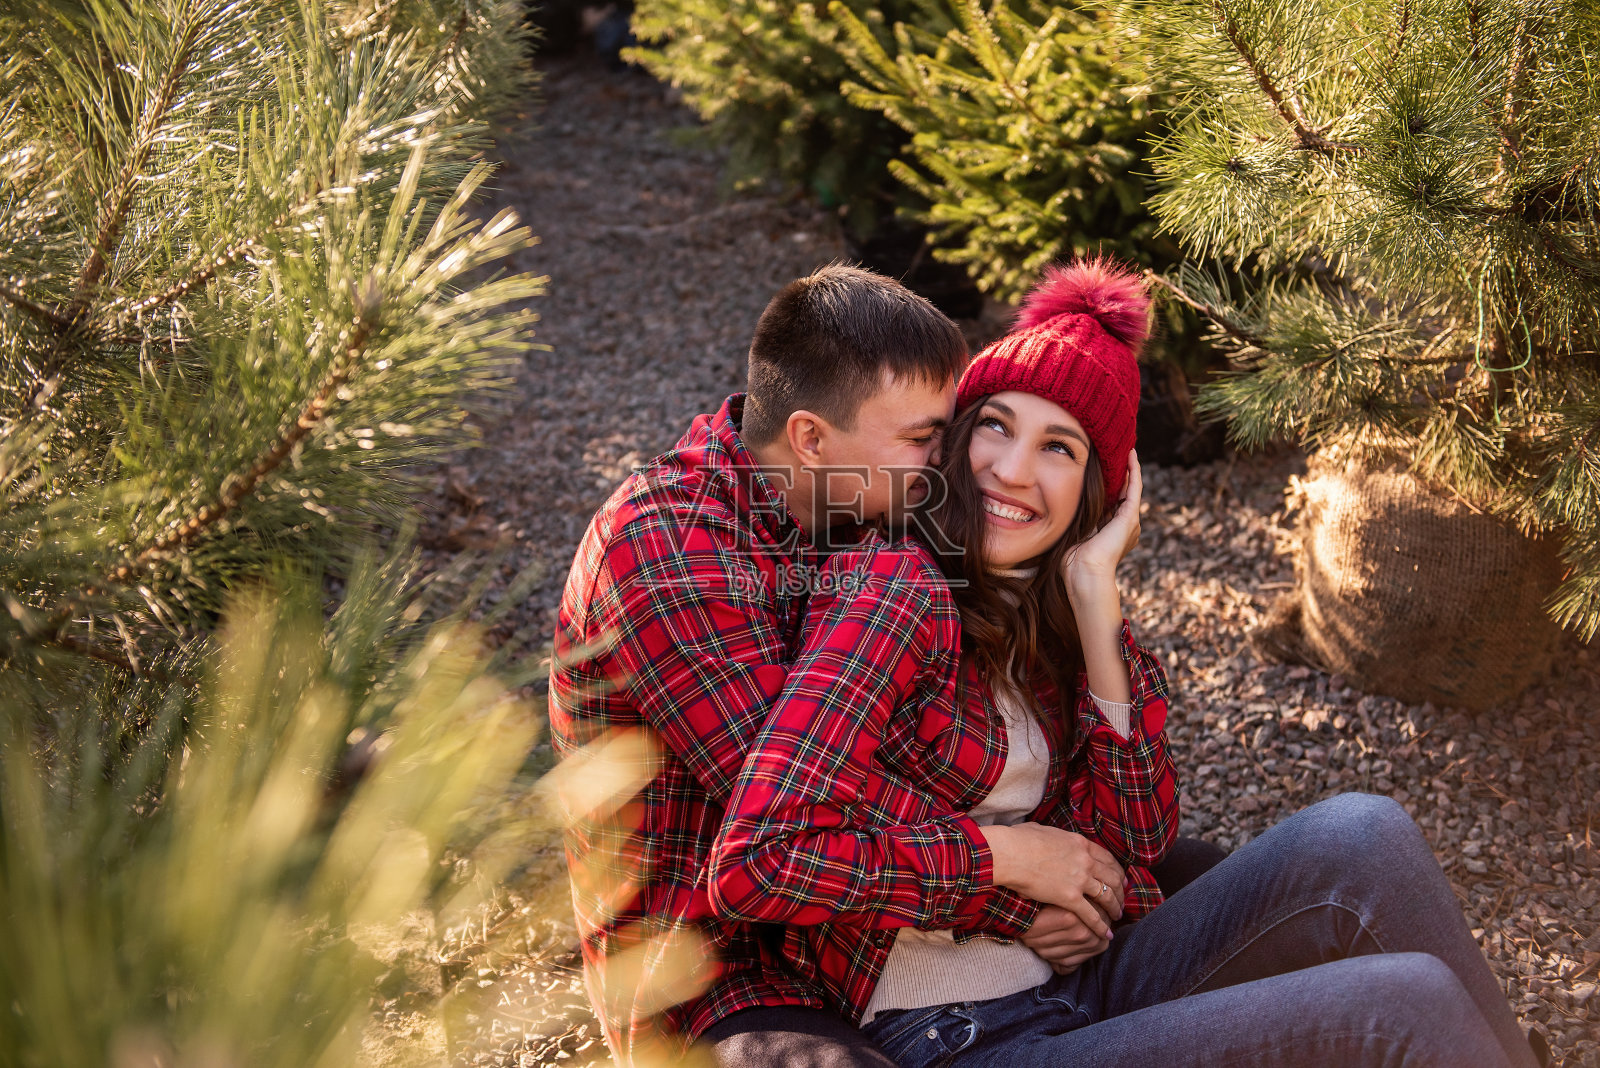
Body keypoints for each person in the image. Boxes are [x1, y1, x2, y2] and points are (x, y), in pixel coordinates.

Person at [706, 259, 1542, 1068]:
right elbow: (756, 861)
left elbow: (1135, 839)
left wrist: (1097, 607)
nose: (1011, 468)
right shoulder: (897, 586)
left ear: (1099, 491)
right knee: (1400, 1004)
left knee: (1367, 831)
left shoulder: (1049, 607)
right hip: (959, 1036)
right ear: (957, 439)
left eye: (1059, 448)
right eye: (994, 424)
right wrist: (1003, 865)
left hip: (1083, 982)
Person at [547, 264, 968, 1067]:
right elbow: (790, 816)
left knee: (1191, 879)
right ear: (811, 436)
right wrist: (1011, 873)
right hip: (714, 964)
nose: (945, 459)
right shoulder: (663, 548)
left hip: (862, 930)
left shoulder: (855, 505)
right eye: (922, 437)